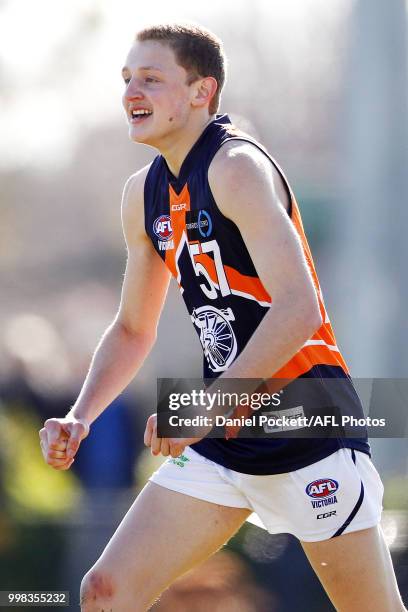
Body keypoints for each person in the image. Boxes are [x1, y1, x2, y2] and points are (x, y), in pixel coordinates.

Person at [39, 23, 406, 611]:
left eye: (152, 79)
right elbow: (133, 329)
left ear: (201, 91)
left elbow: (299, 309)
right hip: (228, 429)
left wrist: (204, 408)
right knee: (106, 591)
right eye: (128, 78)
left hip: (305, 419)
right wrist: (80, 417)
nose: (133, 91)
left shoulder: (236, 167)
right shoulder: (143, 194)